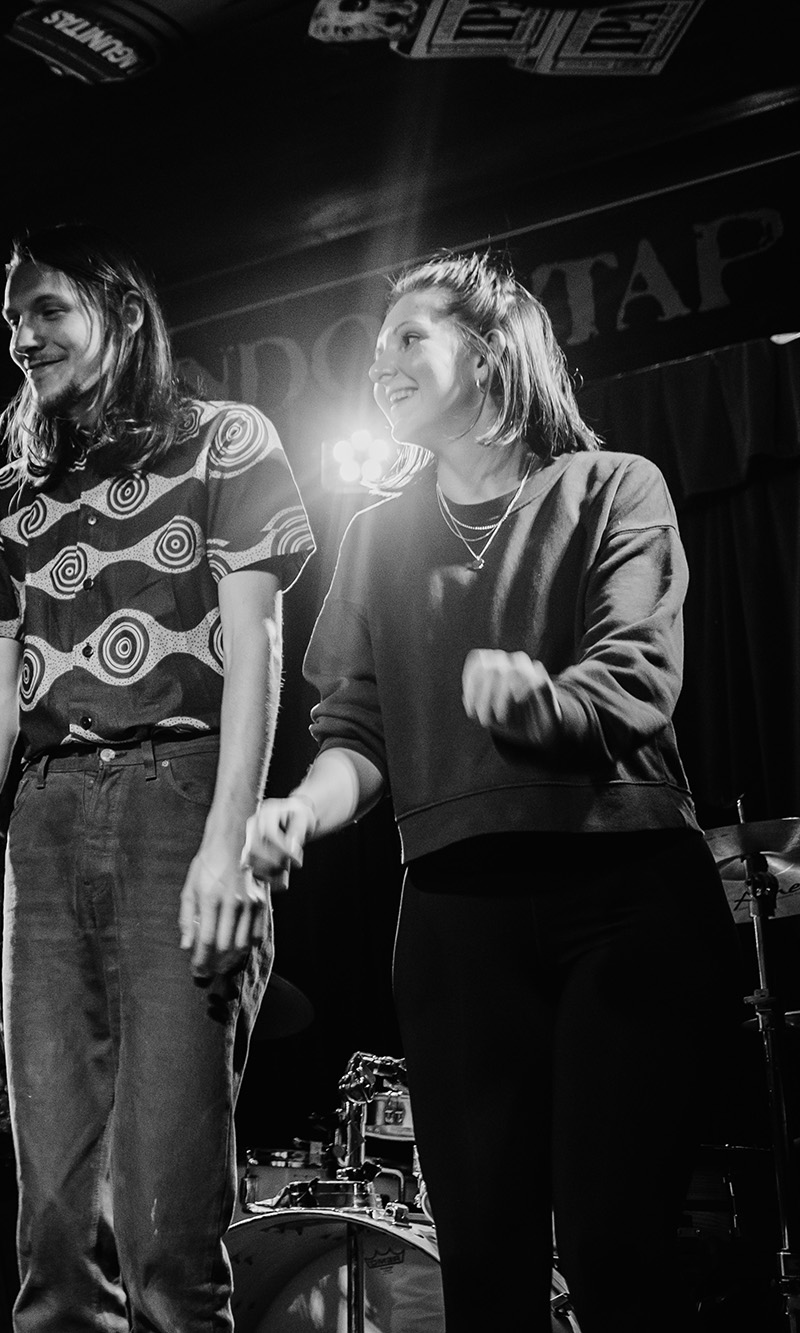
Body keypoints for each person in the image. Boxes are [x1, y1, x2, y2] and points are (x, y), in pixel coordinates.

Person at [242, 250, 737, 1332]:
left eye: (408, 337)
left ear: (490, 350)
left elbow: (637, 674)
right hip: (455, 918)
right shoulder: (374, 538)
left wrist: (540, 705)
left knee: (615, 1246)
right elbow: (354, 731)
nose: (380, 363)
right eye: (375, 346)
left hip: (622, 891)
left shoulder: (613, 486)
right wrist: (301, 810)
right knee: (480, 1260)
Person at [0, 224, 316, 1332]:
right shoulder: (9, 496)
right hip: (45, 815)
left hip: (178, 793)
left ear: (122, 312)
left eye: (47, 310)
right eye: (12, 318)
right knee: (55, 1234)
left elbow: (256, 648)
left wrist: (229, 839)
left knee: (166, 1228)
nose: (23, 337)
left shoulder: (225, 441)